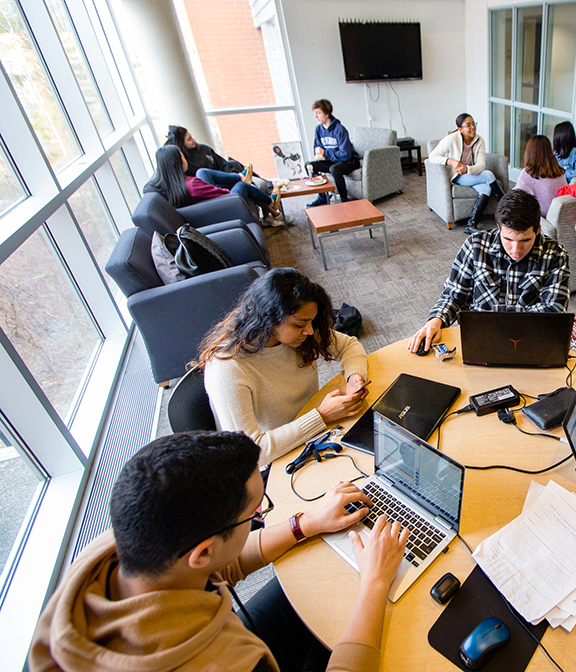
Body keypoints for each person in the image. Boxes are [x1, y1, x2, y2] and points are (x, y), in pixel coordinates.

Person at [29, 431, 409, 672]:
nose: (259, 517)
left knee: (311, 598)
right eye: (253, 514)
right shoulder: (230, 662)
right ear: (202, 551)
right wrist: (375, 582)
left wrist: (304, 523)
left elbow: (216, 567)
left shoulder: (119, 545)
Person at [200, 268, 369, 465]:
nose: (309, 330)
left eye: (312, 322)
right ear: (267, 319)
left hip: (315, 435)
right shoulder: (227, 367)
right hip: (274, 462)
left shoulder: (301, 334)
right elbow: (252, 451)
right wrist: (321, 416)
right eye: (299, 325)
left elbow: (349, 345)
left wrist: (354, 377)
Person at [408, 189, 570, 353]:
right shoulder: (475, 245)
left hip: (529, 342)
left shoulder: (555, 254)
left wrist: (494, 315)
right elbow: (455, 295)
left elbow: (554, 311)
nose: (516, 250)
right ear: (498, 227)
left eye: (525, 240)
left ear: (537, 229)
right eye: (508, 239)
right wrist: (436, 320)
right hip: (480, 340)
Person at [145, 146, 281, 221]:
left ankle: (239, 176)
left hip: (203, 209)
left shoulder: (162, 185)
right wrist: (222, 187)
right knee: (241, 187)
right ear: (177, 163)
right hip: (223, 208)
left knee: (202, 172)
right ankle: (269, 202)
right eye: (182, 157)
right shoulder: (192, 185)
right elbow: (224, 194)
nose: (185, 159)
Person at [426, 113, 505, 234]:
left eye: (473, 124)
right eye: (468, 125)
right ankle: (508, 209)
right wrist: (450, 161)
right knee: (488, 175)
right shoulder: (451, 139)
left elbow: (481, 165)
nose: (472, 127)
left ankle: (471, 224)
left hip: (471, 173)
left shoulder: (479, 140)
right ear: (460, 129)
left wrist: (467, 170)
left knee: (485, 188)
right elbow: (432, 156)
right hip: (458, 176)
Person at [165, 125, 272, 195]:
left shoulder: (203, 149)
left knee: (261, 184)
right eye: (188, 139)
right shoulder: (185, 166)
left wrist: (233, 175)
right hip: (216, 188)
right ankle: (270, 207)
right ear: (181, 143)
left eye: (191, 137)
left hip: (228, 177)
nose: (193, 140)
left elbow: (222, 163)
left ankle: (269, 214)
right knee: (245, 185)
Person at [306, 99, 360, 207]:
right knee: (310, 165)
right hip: (332, 160)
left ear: (327, 113)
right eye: (315, 113)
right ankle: (322, 197)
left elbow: (345, 154)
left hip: (349, 161)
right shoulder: (318, 129)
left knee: (334, 169)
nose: (316, 116)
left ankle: (344, 199)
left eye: (319, 113)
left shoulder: (340, 129)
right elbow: (317, 148)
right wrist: (318, 154)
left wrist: (325, 153)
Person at [513, 135, 568, 219]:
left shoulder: (528, 173)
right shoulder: (559, 172)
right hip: (558, 217)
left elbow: (515, 196)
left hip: (537, 218)